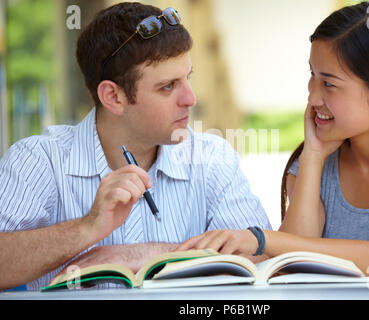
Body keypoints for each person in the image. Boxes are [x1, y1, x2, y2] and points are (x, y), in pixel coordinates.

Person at [0, 2, 271, 290]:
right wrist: (87, 227)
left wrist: (146, 254)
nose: (190, 98)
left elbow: (262, 257)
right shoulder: (37, 160)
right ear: (113, 97)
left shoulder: (212, 157)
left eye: (187, 78)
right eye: (168, 86)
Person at [177, 2, 369, 280]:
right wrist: (314, 156)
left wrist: (261, 239)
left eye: (329, 84)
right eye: (313, 76)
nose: (313, 98)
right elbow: (293, 269)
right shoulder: (311, 164)